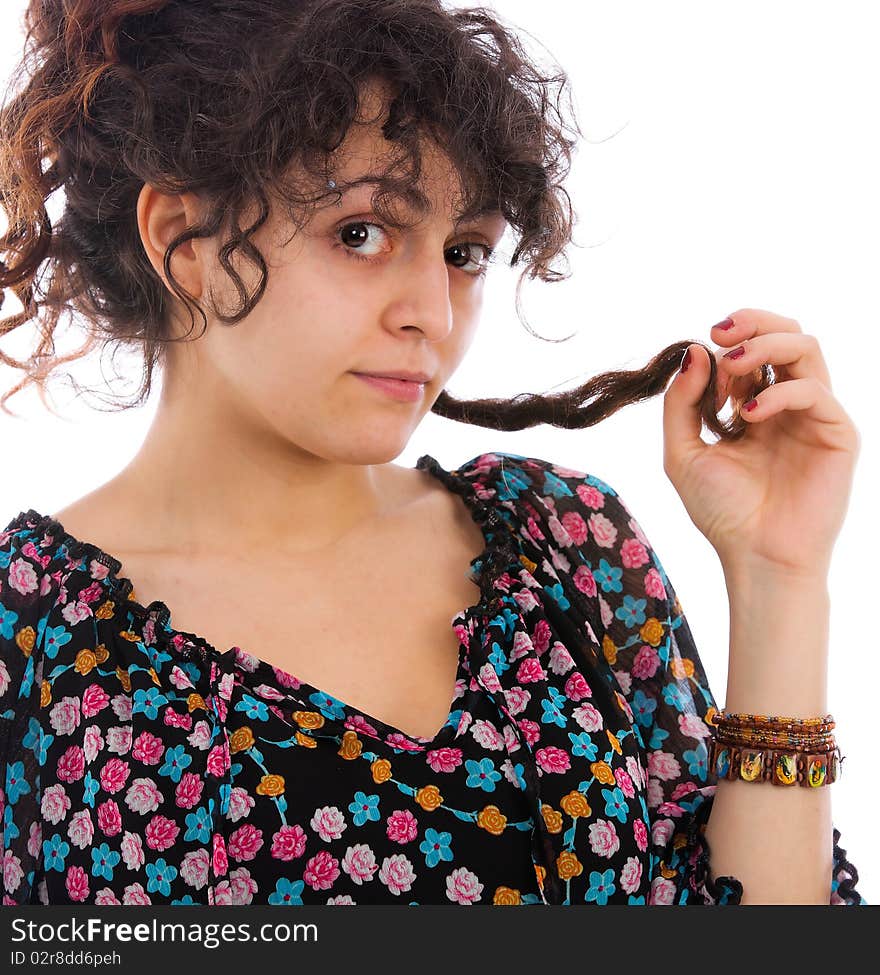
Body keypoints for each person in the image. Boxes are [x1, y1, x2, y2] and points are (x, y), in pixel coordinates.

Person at [0, 0, 864, 906]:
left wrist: (780, 577)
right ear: (185, 243)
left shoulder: (562, 544)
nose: (434, 313)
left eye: (463, 250)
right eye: (362, 233)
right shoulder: (33, 639)